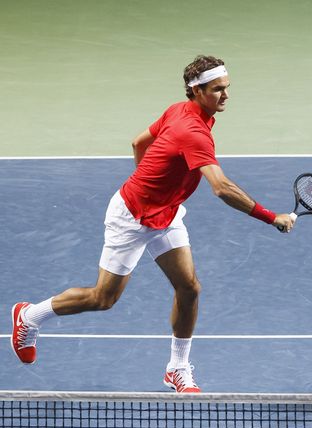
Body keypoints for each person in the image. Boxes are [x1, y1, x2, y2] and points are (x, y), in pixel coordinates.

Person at [10, 55, 295, 393]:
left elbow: (138, 142)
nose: (226, 95)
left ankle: (176, 367)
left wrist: (154, 185)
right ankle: (30, 317)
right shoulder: (194, 132)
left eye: (227, 88)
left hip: (166, 212)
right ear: (198, 91)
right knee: (103, 299)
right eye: (218, 89)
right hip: (131, 218)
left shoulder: (180, 109)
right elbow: (221, 188)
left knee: (189, 288)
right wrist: (270, 217)